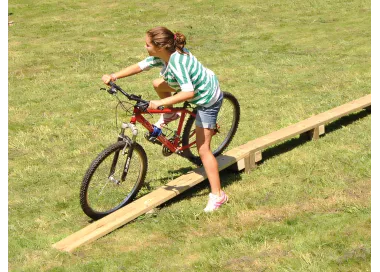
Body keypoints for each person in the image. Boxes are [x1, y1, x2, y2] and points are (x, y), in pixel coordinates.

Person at [102, 26, 228, 212]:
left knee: (203, 149)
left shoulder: (177, 63)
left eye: (147, 45)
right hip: (192, 87)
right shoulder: (164, 54)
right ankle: (171, 114)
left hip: (207, 98)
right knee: (157, 83)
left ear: (160, 47)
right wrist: (114, 76)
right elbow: (140, 66)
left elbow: (189, 92)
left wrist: (161, 102)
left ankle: (218, 196)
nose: (145, 47)